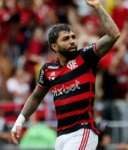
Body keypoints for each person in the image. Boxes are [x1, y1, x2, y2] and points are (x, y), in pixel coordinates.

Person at [11, 0, 120, 149]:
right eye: (66, 39)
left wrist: (98, 7)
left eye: (73, 37)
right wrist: (19, 121)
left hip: (83, 131)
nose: (72, 41)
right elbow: (36, 96)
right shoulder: (48, 70)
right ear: (54, 46)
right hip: (61, 136)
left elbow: (113, 35)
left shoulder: (86, 57)